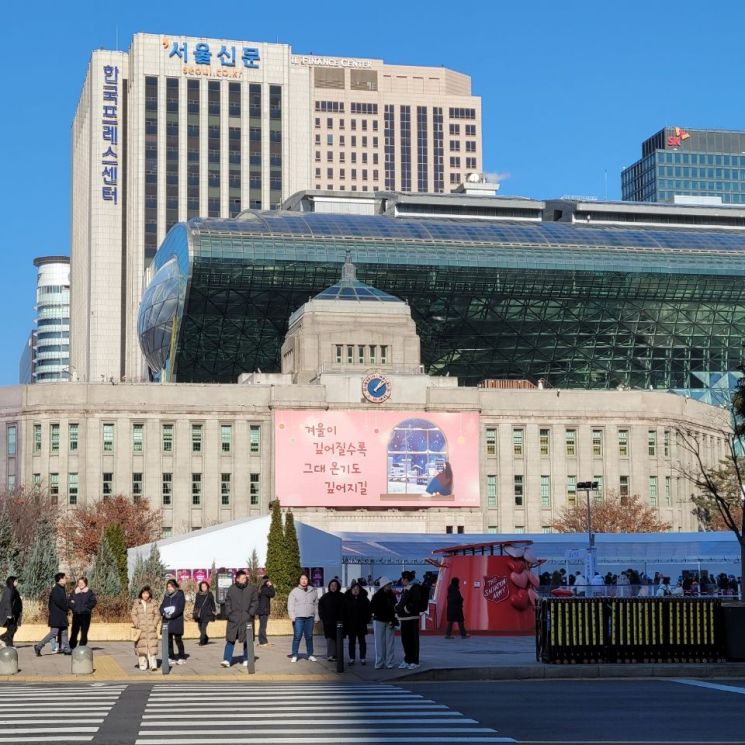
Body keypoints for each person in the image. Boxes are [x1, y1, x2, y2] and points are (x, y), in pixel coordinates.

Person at [220, 570, 259, 668]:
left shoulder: (251, 589)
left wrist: (250, 613)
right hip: (234, 618)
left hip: (247, 618)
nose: (244, 580)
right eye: (242, 578)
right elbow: (227, 602)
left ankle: (246, 659)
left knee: (247, 640)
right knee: (230, 639)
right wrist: (229, 614)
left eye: (245, 578)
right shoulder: (231, 589)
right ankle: (227, 660)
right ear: (237, 579)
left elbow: (255, 602)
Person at [34, 572, 71, 656]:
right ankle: (39, 646)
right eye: (64, 578)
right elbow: (60, 602)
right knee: (54, 633)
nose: (66, 580)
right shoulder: (56, 590)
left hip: (61, 615)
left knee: (64, 632)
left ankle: (67, 649)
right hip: (57, 616)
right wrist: (67, 608)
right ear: (60, 580)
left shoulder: (61, 588)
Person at [288, 572, 319, 663]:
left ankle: (310, 654)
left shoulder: (313, 591)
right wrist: (292, 616)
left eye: (305, 579)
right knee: (297, 636)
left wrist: (316, 616)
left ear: (308, 580)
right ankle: (294, 654)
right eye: (302, 579)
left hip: (310, 617)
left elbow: (316, 605)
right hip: (298, 618)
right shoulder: (294, 591)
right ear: (299, 580)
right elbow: (290, 605)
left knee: (309, 636)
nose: (304, 581)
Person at [395, 570, 422, 670]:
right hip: (404, 618)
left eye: (402, 579)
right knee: (405, 640)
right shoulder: (407, 588)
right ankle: (407, 659)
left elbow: (416, 602)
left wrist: (406, 609)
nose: (401, 581)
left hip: (411, 618)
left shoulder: (415, 588)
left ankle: (415, 661)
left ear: (406, 579)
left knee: (413, 640)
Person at [131, 585, 160, 671]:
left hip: (151, 629)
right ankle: (143, 665)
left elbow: (157, 615)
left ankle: (153, 665)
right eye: (144, 593)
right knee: (142, 647)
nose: (145, 595)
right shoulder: (137, 603)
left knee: (152, 647)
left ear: (149, 594)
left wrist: (154, 624)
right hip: (141, 629)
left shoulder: (153, 603)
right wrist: (137, 623)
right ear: (141, 594)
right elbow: (133, 614)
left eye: (147, 593)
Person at [371, 576, 397, 669]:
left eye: (390, 584)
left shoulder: (391, 595)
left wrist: (393, 619)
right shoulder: (377, 596)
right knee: (379, 642)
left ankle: (388, 662)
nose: (390, 585)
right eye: (388, 584)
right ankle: (380, 662)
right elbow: (373, 608)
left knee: (389, 642)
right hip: (379, 620)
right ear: (383, 585)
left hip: (388, 621)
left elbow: (395, 608)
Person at [344, 581, 372, 665]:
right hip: (351, 625)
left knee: (362, 641)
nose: (355, 590)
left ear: (360, 590)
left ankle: (362, 658)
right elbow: (343, 612)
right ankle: (352, 658)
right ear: (351, 590)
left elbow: (369, 611)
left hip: (361, 624)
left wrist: (366, 620)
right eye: (354, 589)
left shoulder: (364, 599)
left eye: (357, 589)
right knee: (351, 642)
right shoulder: (347, 599)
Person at [159, 579, 186, 664]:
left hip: (176, 621)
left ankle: (182, 656)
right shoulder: (166, 595)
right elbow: (161, 607)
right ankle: (171, 656)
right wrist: (163, 612)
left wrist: (171, 615)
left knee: (178, 640)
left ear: (175, 586)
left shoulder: (180, 594)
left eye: (171, 586)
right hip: (167, 621)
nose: (169, 588)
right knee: (168, 640)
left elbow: (180, 608)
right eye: (168, 587)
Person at [318, 578, 345, 661]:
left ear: (338, 587)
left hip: (339, 622)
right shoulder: (325, 597)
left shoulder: (342, 597)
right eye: (332, 585)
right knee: (330, 639)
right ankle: (330, 655)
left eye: (335, 585)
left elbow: (346, 609)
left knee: (338, 639)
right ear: (329, 587)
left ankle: (338, 655)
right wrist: (323, 618)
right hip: (328, 622)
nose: (333, 587)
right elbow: (320, 608)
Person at [68, 577, 97, 649]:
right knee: (74, 631)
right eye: (79, 583)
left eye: (82, 583)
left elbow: (93, 601)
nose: (80, 584)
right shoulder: (74, 592)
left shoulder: (89, 592)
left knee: (84, 632)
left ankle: (82, 647)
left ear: (85, 583)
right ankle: (72, 647)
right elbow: (69, 601)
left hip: (85, 615)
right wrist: (73, 607)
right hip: (76, 614)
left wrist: (87, 607)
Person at [192, 581, 216, 646]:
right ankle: (206, 637)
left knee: (203, 627)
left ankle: (202, 641)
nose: (203, 588)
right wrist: (194, 611)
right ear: (200, 587)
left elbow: (212, 603)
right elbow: (196, 603)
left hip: (207, 614)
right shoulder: (198, 594)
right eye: (202, 586)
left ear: (207, 587)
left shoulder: (209, 594)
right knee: (199, 627)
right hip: (199, 614)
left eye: (205, 586)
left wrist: (214, 610)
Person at [0, 576, 22, 648]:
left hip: (14, 613)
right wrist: (9, 614)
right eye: (16, 581)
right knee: (12, 628)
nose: (17, 583)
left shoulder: (13, 590)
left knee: (13, 628)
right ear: (12, 582)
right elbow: (7, 602)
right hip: (9, 613)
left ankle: (3, 639)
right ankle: (9, 644)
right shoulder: (8, 590)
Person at [256, 576, 276, 647]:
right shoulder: (265, 589)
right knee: (263, 626)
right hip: (264, 610)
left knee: (262, 626)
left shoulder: (260, 588)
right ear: (266, 581)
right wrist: (271, 586)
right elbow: (273, 594)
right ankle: (263, 641)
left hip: (260, 610)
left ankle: (262, 640)